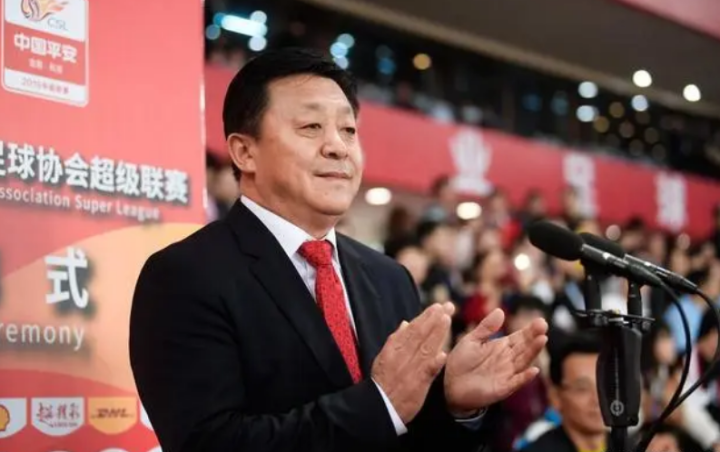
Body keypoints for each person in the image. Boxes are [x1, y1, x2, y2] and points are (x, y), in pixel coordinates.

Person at [129, 47, 548, 452]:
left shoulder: (389, 277)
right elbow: (210, 442)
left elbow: (405, 430)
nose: (338, 146)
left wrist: (453, 405)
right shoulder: (185, 276)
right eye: (311, 127)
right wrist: (379, 405)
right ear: (244, 151)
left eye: (348, 130)